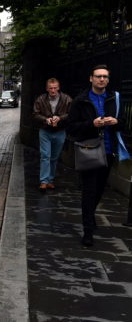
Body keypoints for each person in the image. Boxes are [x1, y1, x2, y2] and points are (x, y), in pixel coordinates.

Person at [68, 64, 127, 247]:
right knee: (89, 190)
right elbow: (71, 127)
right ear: (91, 78)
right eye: (98, 76)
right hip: (89, 149)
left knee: (100, 189)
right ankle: (88, 231)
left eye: (105, 77)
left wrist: (116, 121)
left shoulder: (114, 98)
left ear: (108, 79)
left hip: (109, 151)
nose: (102, 79)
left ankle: (90, 216)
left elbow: (124, 123)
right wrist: (92, 124)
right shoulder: (81, 100)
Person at [32, 78, 72, 191]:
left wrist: (60, 118)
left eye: (55, 88)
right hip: (45, 131)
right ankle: (44, 181)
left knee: (54, 157)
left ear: (58, 88)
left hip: (60, 131)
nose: (53, 90)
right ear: (47, 89)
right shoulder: (40, 99)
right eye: (51, 88)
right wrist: (46, 120)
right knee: (45, 156)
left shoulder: (67, 99)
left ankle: (50, 180)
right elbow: (35, 114)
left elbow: (72, 113)